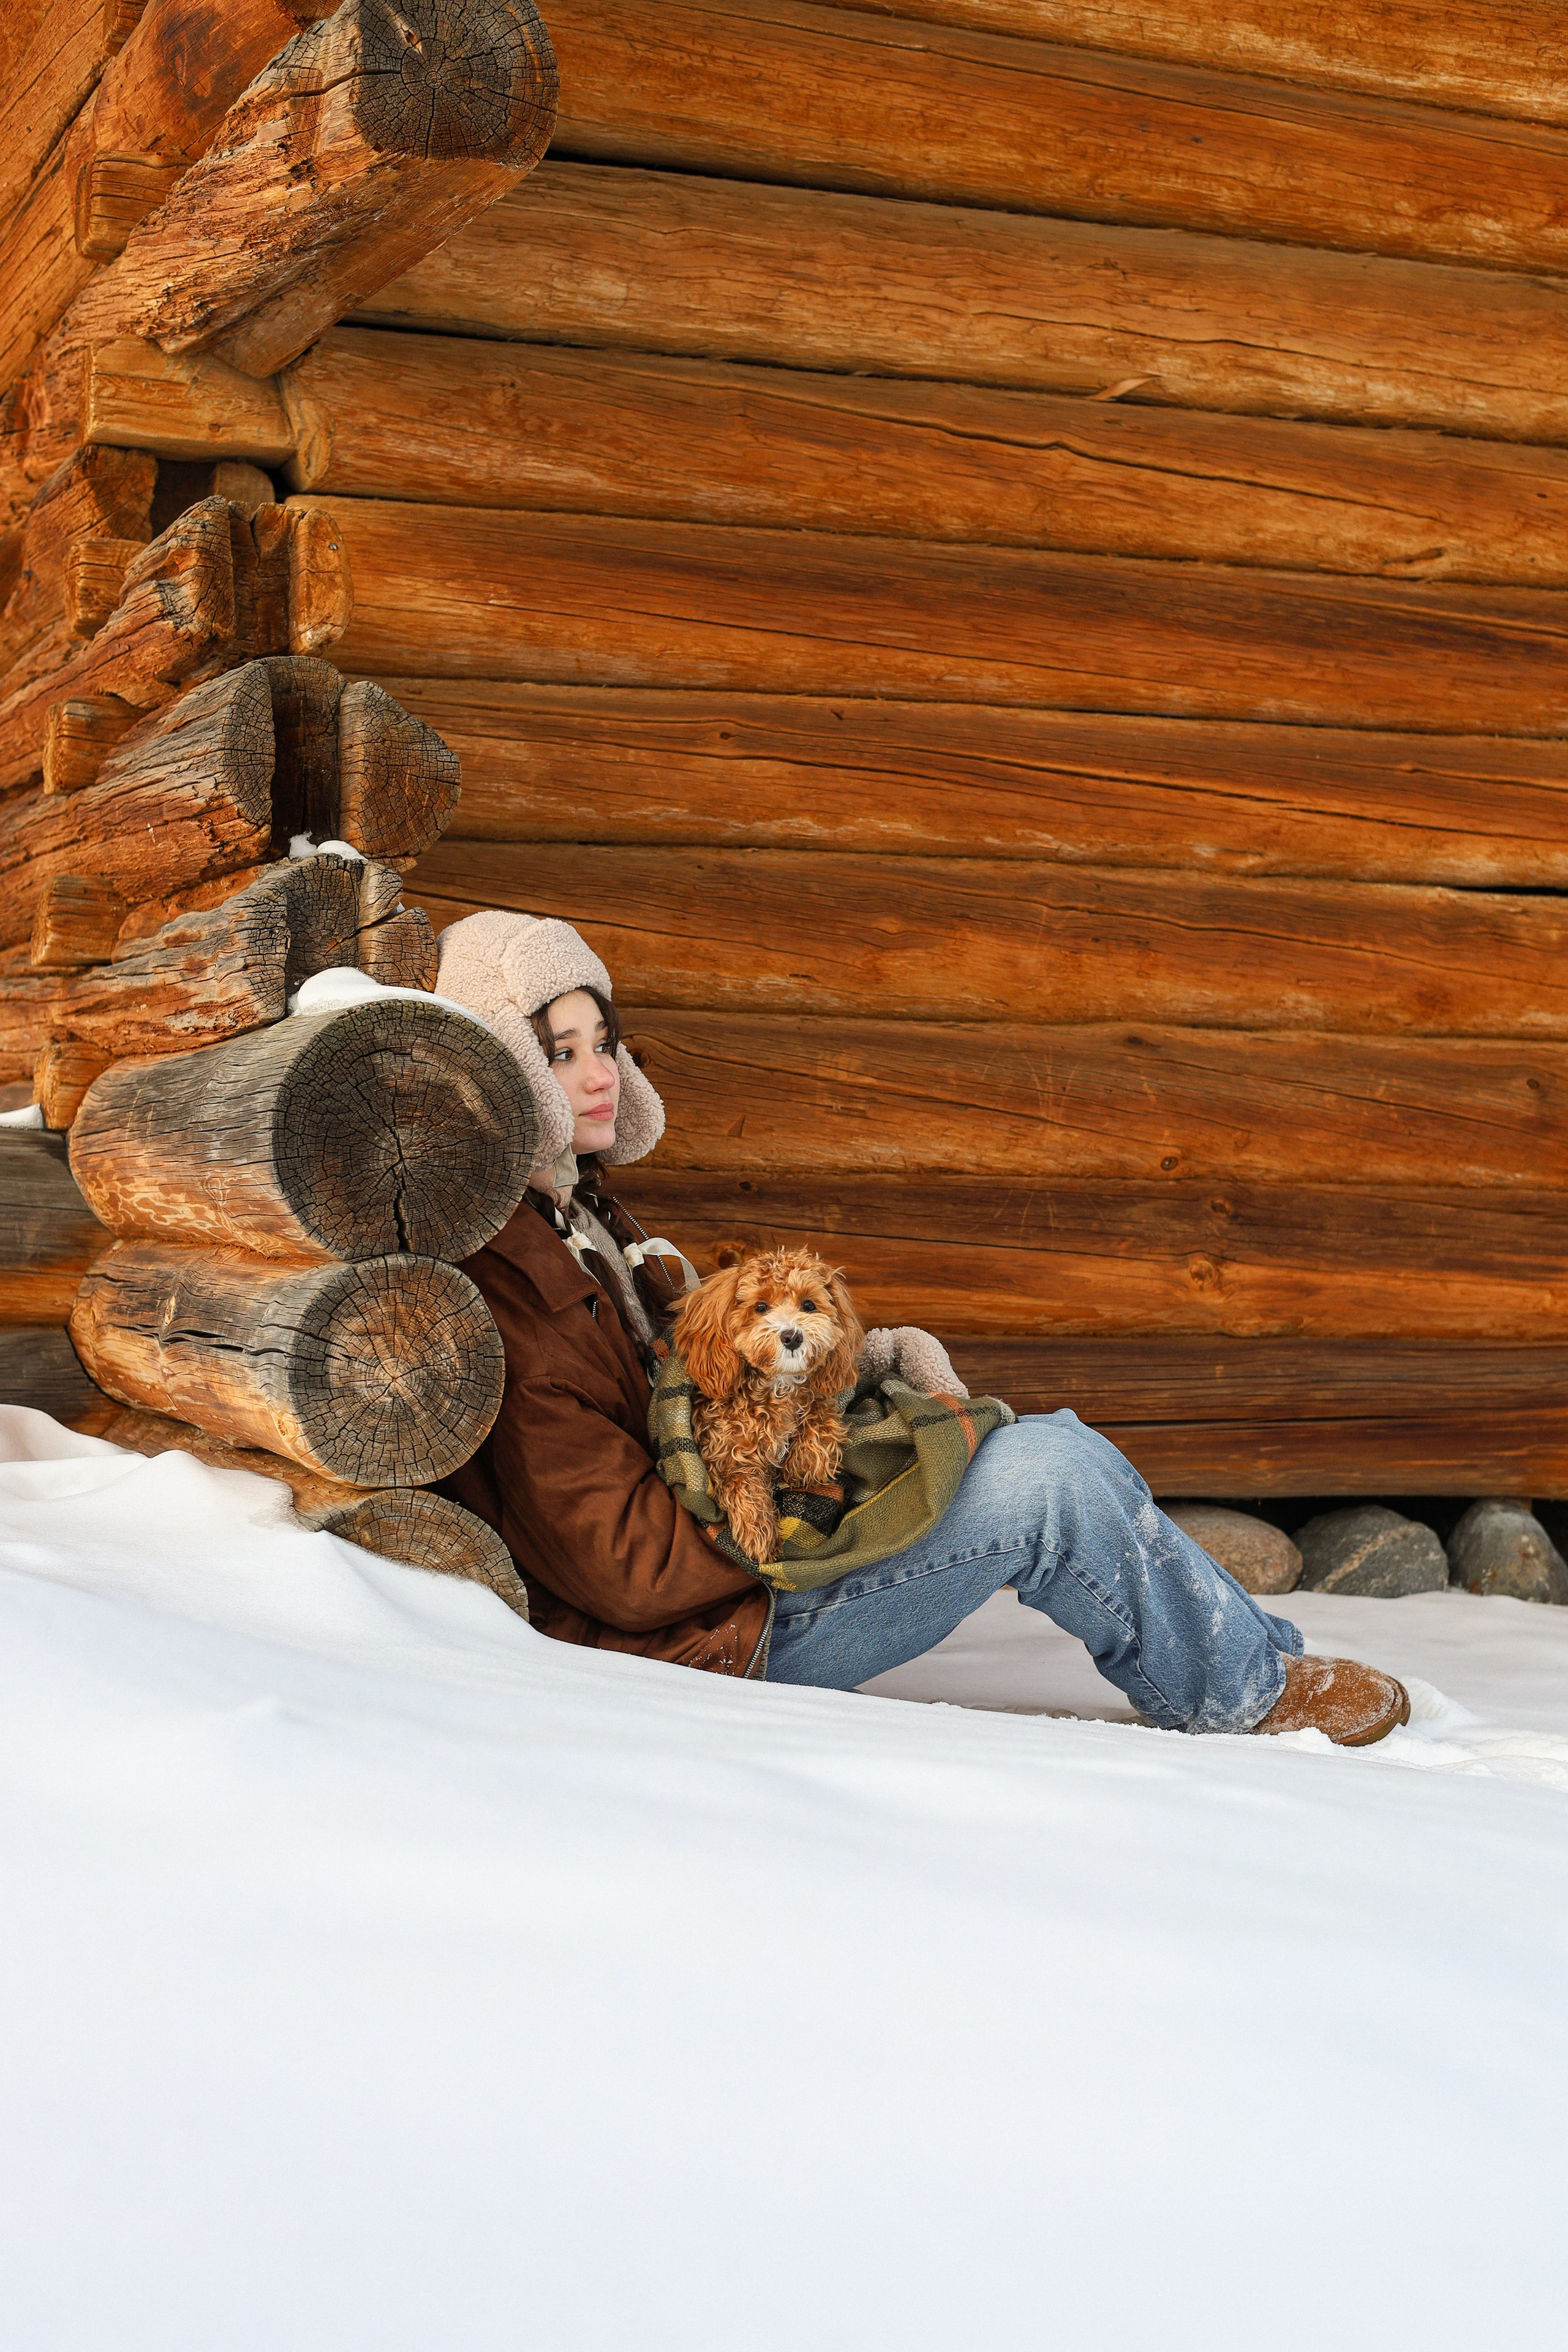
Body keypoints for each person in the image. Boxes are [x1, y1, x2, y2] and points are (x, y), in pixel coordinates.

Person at [437, 911, 1409, 1746]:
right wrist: (824, 1500)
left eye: (602, 1042)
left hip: (748, 1581)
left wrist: (859, 1372)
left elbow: (706, 1387)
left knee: (1052, 1442)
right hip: (716, 1640)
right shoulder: (513, 1286)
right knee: (1050, 1489)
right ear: (502, 1067)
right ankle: (1244, 1695)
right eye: (559, 1053)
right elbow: (627, 1568)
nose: (599, 1074)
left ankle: (1262, 1662)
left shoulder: (585, 1221)